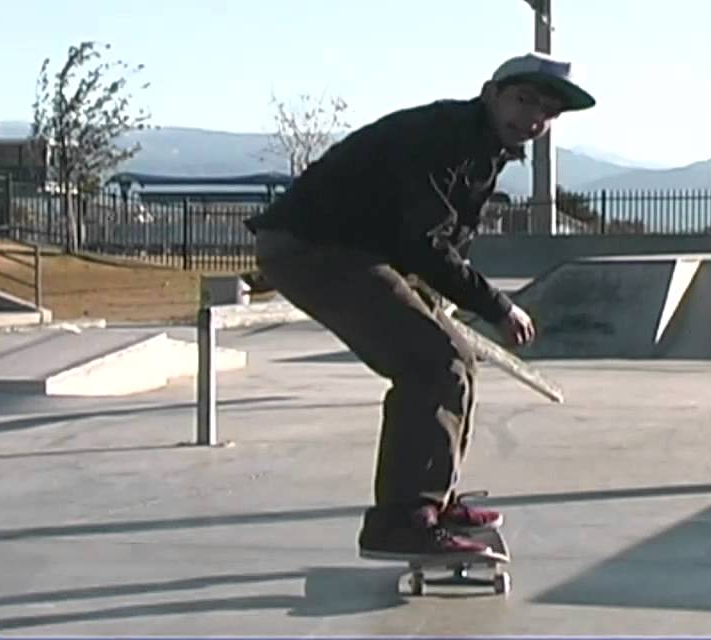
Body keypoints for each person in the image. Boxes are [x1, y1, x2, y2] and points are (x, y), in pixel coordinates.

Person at [243, 52, 596, 561]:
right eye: (523, 100)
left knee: (457, 360)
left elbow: (445, 236)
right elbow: (422, 242)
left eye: (546, 112)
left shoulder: (486, 147)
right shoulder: (447, 136)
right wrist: (496, 306)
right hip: (314, 247)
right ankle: (401, 520)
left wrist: (437, 299)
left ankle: (434, 500)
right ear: (491, 93)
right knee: (432, 363)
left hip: (357, 248)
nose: (533, 119)